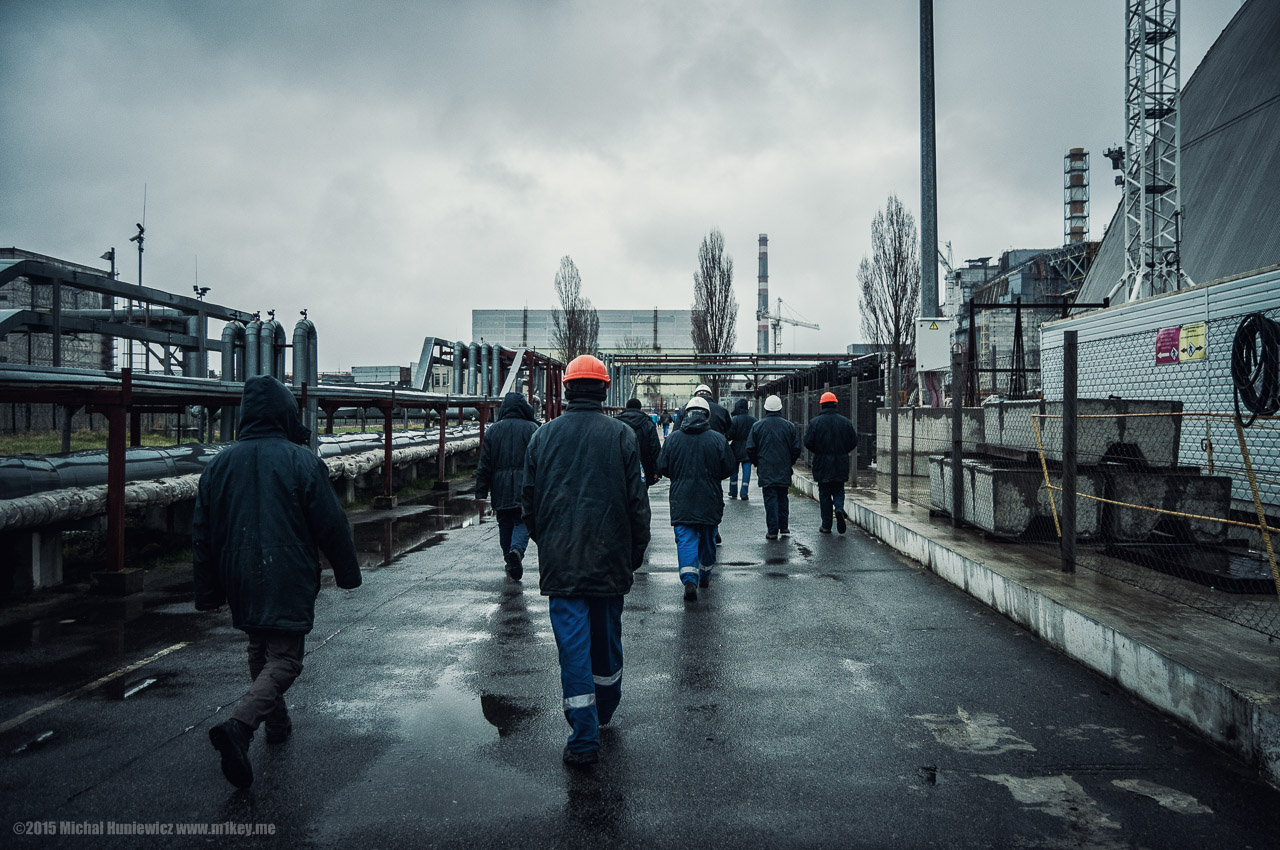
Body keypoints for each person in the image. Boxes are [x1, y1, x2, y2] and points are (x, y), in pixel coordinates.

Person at [194, 375, 361, 789]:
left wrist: (208, 591)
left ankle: (277, 721)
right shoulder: (301, 461)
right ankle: (241, 725)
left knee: (259, 646)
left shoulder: (218, 465)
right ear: (285, 414)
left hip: (239, 575)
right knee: (285, 657)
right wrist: (347, 573)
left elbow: (203, 533)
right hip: (286, 572)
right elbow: (331, 524)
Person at [522, 354, 651, 766]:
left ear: (567, 388)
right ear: (603, 389)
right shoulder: (621, 436)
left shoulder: (543, 436)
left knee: (573, 648)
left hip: (562, 563)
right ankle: (604, 711)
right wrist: (633, 555)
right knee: (606, 641)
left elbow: (529, 503)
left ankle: (583, 737)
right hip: (610, 559)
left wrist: (549, 543)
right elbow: (638, 504)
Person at [656, 396, 735, 601]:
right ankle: (705, 573)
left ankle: (689, 579)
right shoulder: (718, 439)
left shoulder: (673, 440)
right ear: (707, 416)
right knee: (708, 538)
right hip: (710, 498)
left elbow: (662, 466)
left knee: (685, 538)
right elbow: (728, 468)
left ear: (685, 415)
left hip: (681, 498)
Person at [475, 392, 539, 579]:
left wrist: (481, 490)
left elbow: (485, 463)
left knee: (504, 522)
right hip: (525, 486)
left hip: (500, 487)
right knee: (522, 521)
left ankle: (508, 559)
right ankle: (516, 552)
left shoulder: (493, 430)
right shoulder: (533, 429)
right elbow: (540, 461)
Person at [746, 394, 801, 540]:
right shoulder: (789, 426)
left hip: (766, 467)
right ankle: (784, 526)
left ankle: (772, 530)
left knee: (770, 498)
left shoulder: (757, 426)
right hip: (783, 467)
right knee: (783, 496)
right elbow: (796, 448)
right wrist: (790, 461)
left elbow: (750, 448)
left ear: (765, 409)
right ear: (780, 409)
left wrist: (757, 462)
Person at [804, 391, 859, 534]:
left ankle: (826, 525)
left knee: (824, 493)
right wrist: (843, 450)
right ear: (835, 404)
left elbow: (808, 442)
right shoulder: (845, 422)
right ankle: (839, 508)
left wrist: (819, 450)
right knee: (838, 488)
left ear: (821, 405)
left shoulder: (815, 422)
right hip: (840, 460)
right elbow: (853, 441)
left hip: (822, 462)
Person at [616, 398, 661, 486]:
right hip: (644, 466)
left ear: (626, 407)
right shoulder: (648, 423)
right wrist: (656, 470)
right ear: (640, 408)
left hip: (620, 466)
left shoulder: (616, 421)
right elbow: (654, 448)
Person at [725, 397, 757, 500]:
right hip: (748, 448)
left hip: (735, 449)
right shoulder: (753, 420)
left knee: (734, 471)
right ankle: (744, 493)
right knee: (746, 472)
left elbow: (730, 435)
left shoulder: (735, 420)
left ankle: (733, 491)